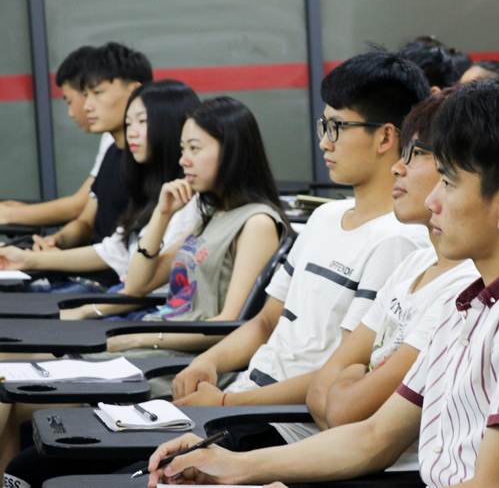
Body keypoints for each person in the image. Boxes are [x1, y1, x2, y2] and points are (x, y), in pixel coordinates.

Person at [145, 78, 499, 488]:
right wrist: (233, 466)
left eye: (449, 183)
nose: (432, 201)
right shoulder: (471, 301)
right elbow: (372, 438)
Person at [172, 91, 478, 472]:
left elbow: (353, 420)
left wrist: (233, 443)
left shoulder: (452, 281)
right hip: (271, 411)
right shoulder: (412, 263)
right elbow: (319, 387)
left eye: (417, 155)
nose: (398, 168)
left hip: (298, 432)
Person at [0, 96, 290, 478]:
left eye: (195, 149)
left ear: (233, 152)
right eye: (183, 149)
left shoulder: (256, 223)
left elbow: (228, 324)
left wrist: (138, 337)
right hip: (146, 349)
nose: (184, 160)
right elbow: (137, 283)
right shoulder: (211, 216)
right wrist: (162, 214)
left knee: (13, 405)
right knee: (7, 388)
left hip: (168, 365)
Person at [169, 51, 431, 411]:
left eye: (336, 127)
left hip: (287, 418)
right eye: (324, 126)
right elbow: (266, 322)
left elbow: (340, 373)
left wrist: (227, 403)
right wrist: (207, 361)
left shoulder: (398, 240)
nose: (324, 142)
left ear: (385, 137)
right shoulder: (324, 217)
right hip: (247, 395)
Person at [0, 80, 201, 312]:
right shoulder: (147, 182)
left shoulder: (185, 199)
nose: (131, 132)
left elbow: (143, 287)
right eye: (129, 123)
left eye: (142, 122)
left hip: (147, 308)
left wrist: (83, 313)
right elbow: (115, 249)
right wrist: (27, 259)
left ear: (171, 125)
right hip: (125, 298)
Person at [32, 42, 152, 256]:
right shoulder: (112, 152)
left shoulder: (148, 160)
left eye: (98, 93)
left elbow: (120, 253)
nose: (87, 106)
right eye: (87, 95)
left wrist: (43, 260)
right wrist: (57, 240)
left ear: (135, 91)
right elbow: (86, 223)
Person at [0, 46, 116, 229]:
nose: (71, 113)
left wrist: (9, 215)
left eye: (69, 101)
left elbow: (78, 206)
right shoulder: (111, 138)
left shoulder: (118, 138)